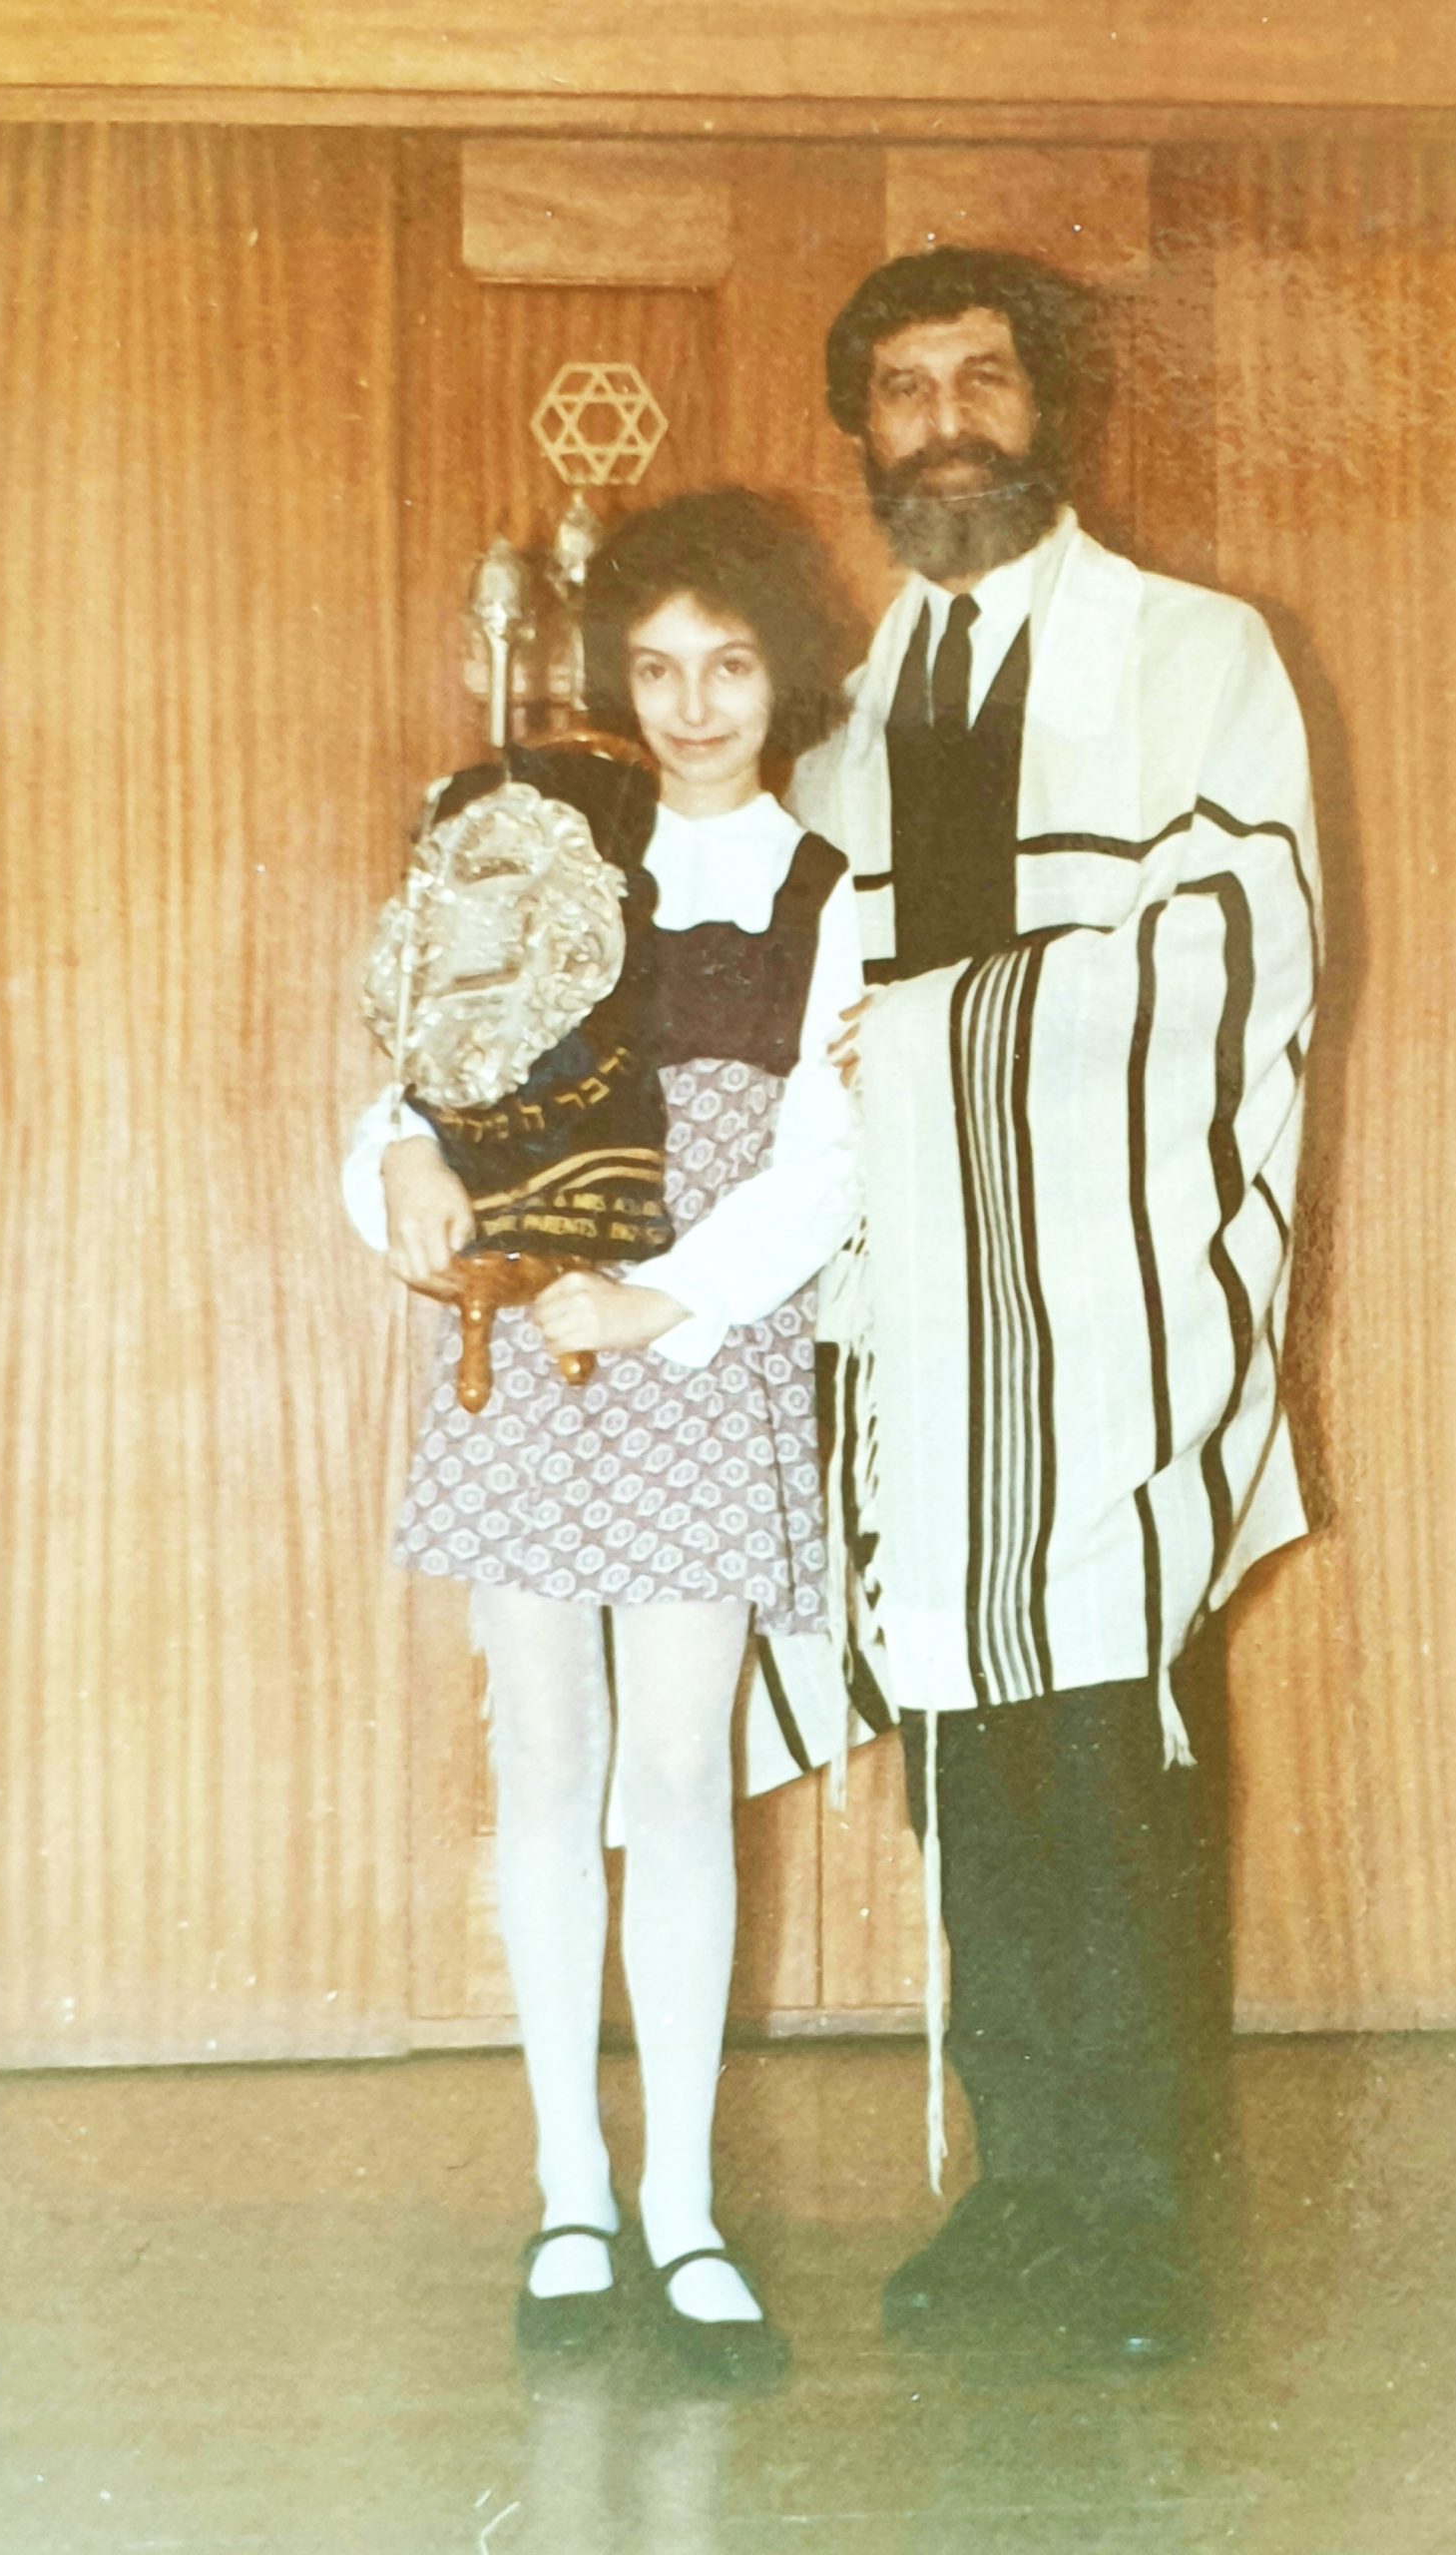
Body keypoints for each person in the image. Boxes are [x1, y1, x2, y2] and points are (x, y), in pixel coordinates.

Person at [793, 248, 1323, 2364]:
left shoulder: (1195, 655)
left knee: (1104, 1754)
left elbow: (1229, 943)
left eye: (981, 377)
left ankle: (1136, 2212)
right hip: (922, 1329)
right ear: (865, 436)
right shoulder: (848, 707)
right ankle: (1021, 2187)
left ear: (1052, 408)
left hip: (1103, 1310)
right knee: (966, 1759)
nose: (944, 420)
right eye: (904, 388)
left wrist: (918, 1037)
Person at [343, 489, 863, 2383]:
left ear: (781, 674)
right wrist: (394, 1150)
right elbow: (424, 1063)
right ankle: (571, 2186)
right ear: (610, 674)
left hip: (701, 1349)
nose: (692, 702)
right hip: (527, 1352)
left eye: (728, 666)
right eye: (654, 667)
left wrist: (671, 1299)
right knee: (543, 1758)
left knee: (679, 1777)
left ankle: (685, 2212)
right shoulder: (544, 849)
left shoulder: (832, 888)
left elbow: (830, 1159)